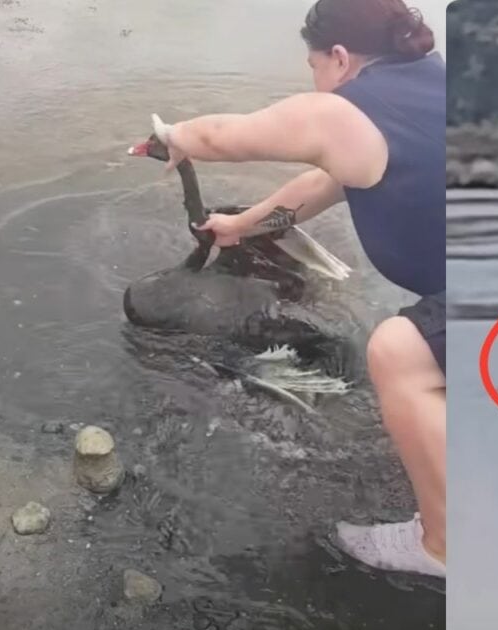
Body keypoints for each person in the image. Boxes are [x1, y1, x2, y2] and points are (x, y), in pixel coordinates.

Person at [143, 0, 445, 578]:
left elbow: (223, 135)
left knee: (399, 352)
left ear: (338, 56)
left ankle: (443, 545)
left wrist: (171, 136)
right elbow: (324, 182)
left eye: (312, 66)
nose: (314, 80)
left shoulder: (350, 108)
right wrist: (239, 226)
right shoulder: (432, 82)